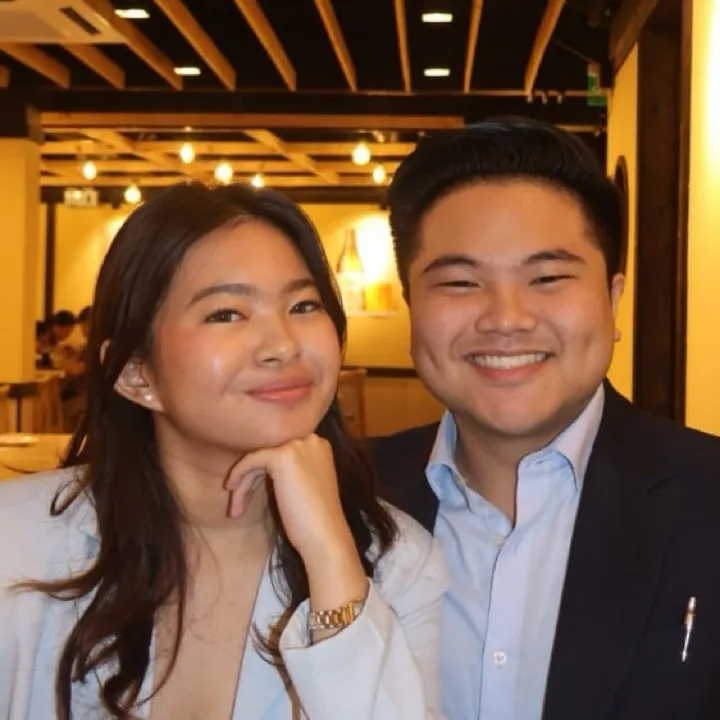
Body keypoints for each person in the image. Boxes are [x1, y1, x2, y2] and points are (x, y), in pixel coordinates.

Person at [0, 182, 446, 720]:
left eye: (303, 305)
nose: (283, 345)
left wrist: (331, 557)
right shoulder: (16, 542)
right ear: (136, 372)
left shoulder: (399, 563)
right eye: (226, 314)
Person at [369, 118, 720, 720]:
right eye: (460, 282)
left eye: (548, 278)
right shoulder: (345, 498)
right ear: (412, 307)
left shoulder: (707, 496)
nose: (506, 318)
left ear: (613, 300)